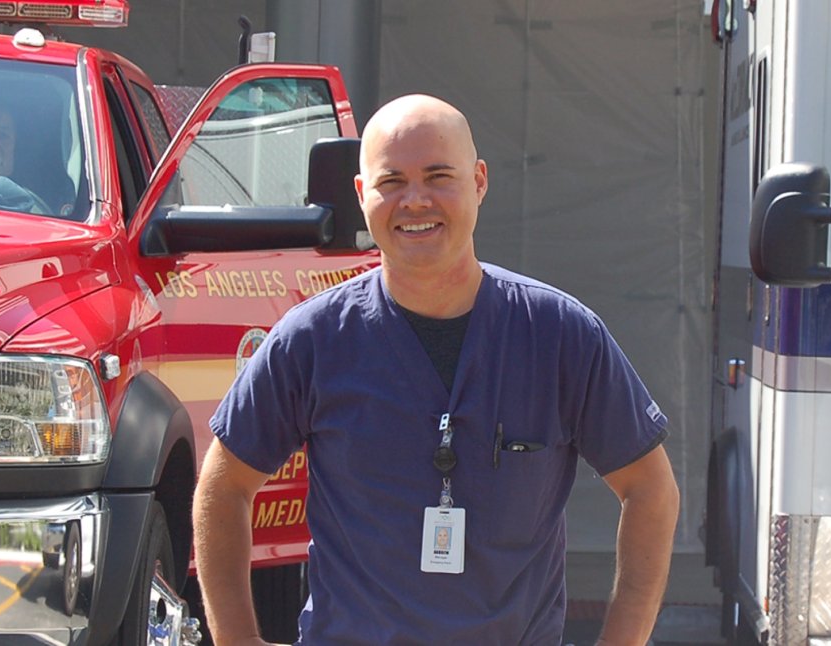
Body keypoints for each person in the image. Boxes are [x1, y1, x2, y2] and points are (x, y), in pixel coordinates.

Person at [193, 94, 680, 645]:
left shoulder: (560, 335)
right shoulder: (313, 340)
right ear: (362, 196)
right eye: (392, 181)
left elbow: (650, 488)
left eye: (438, 176)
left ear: (479, 182)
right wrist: (237, 639)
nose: (415, 200)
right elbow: (224, 485)